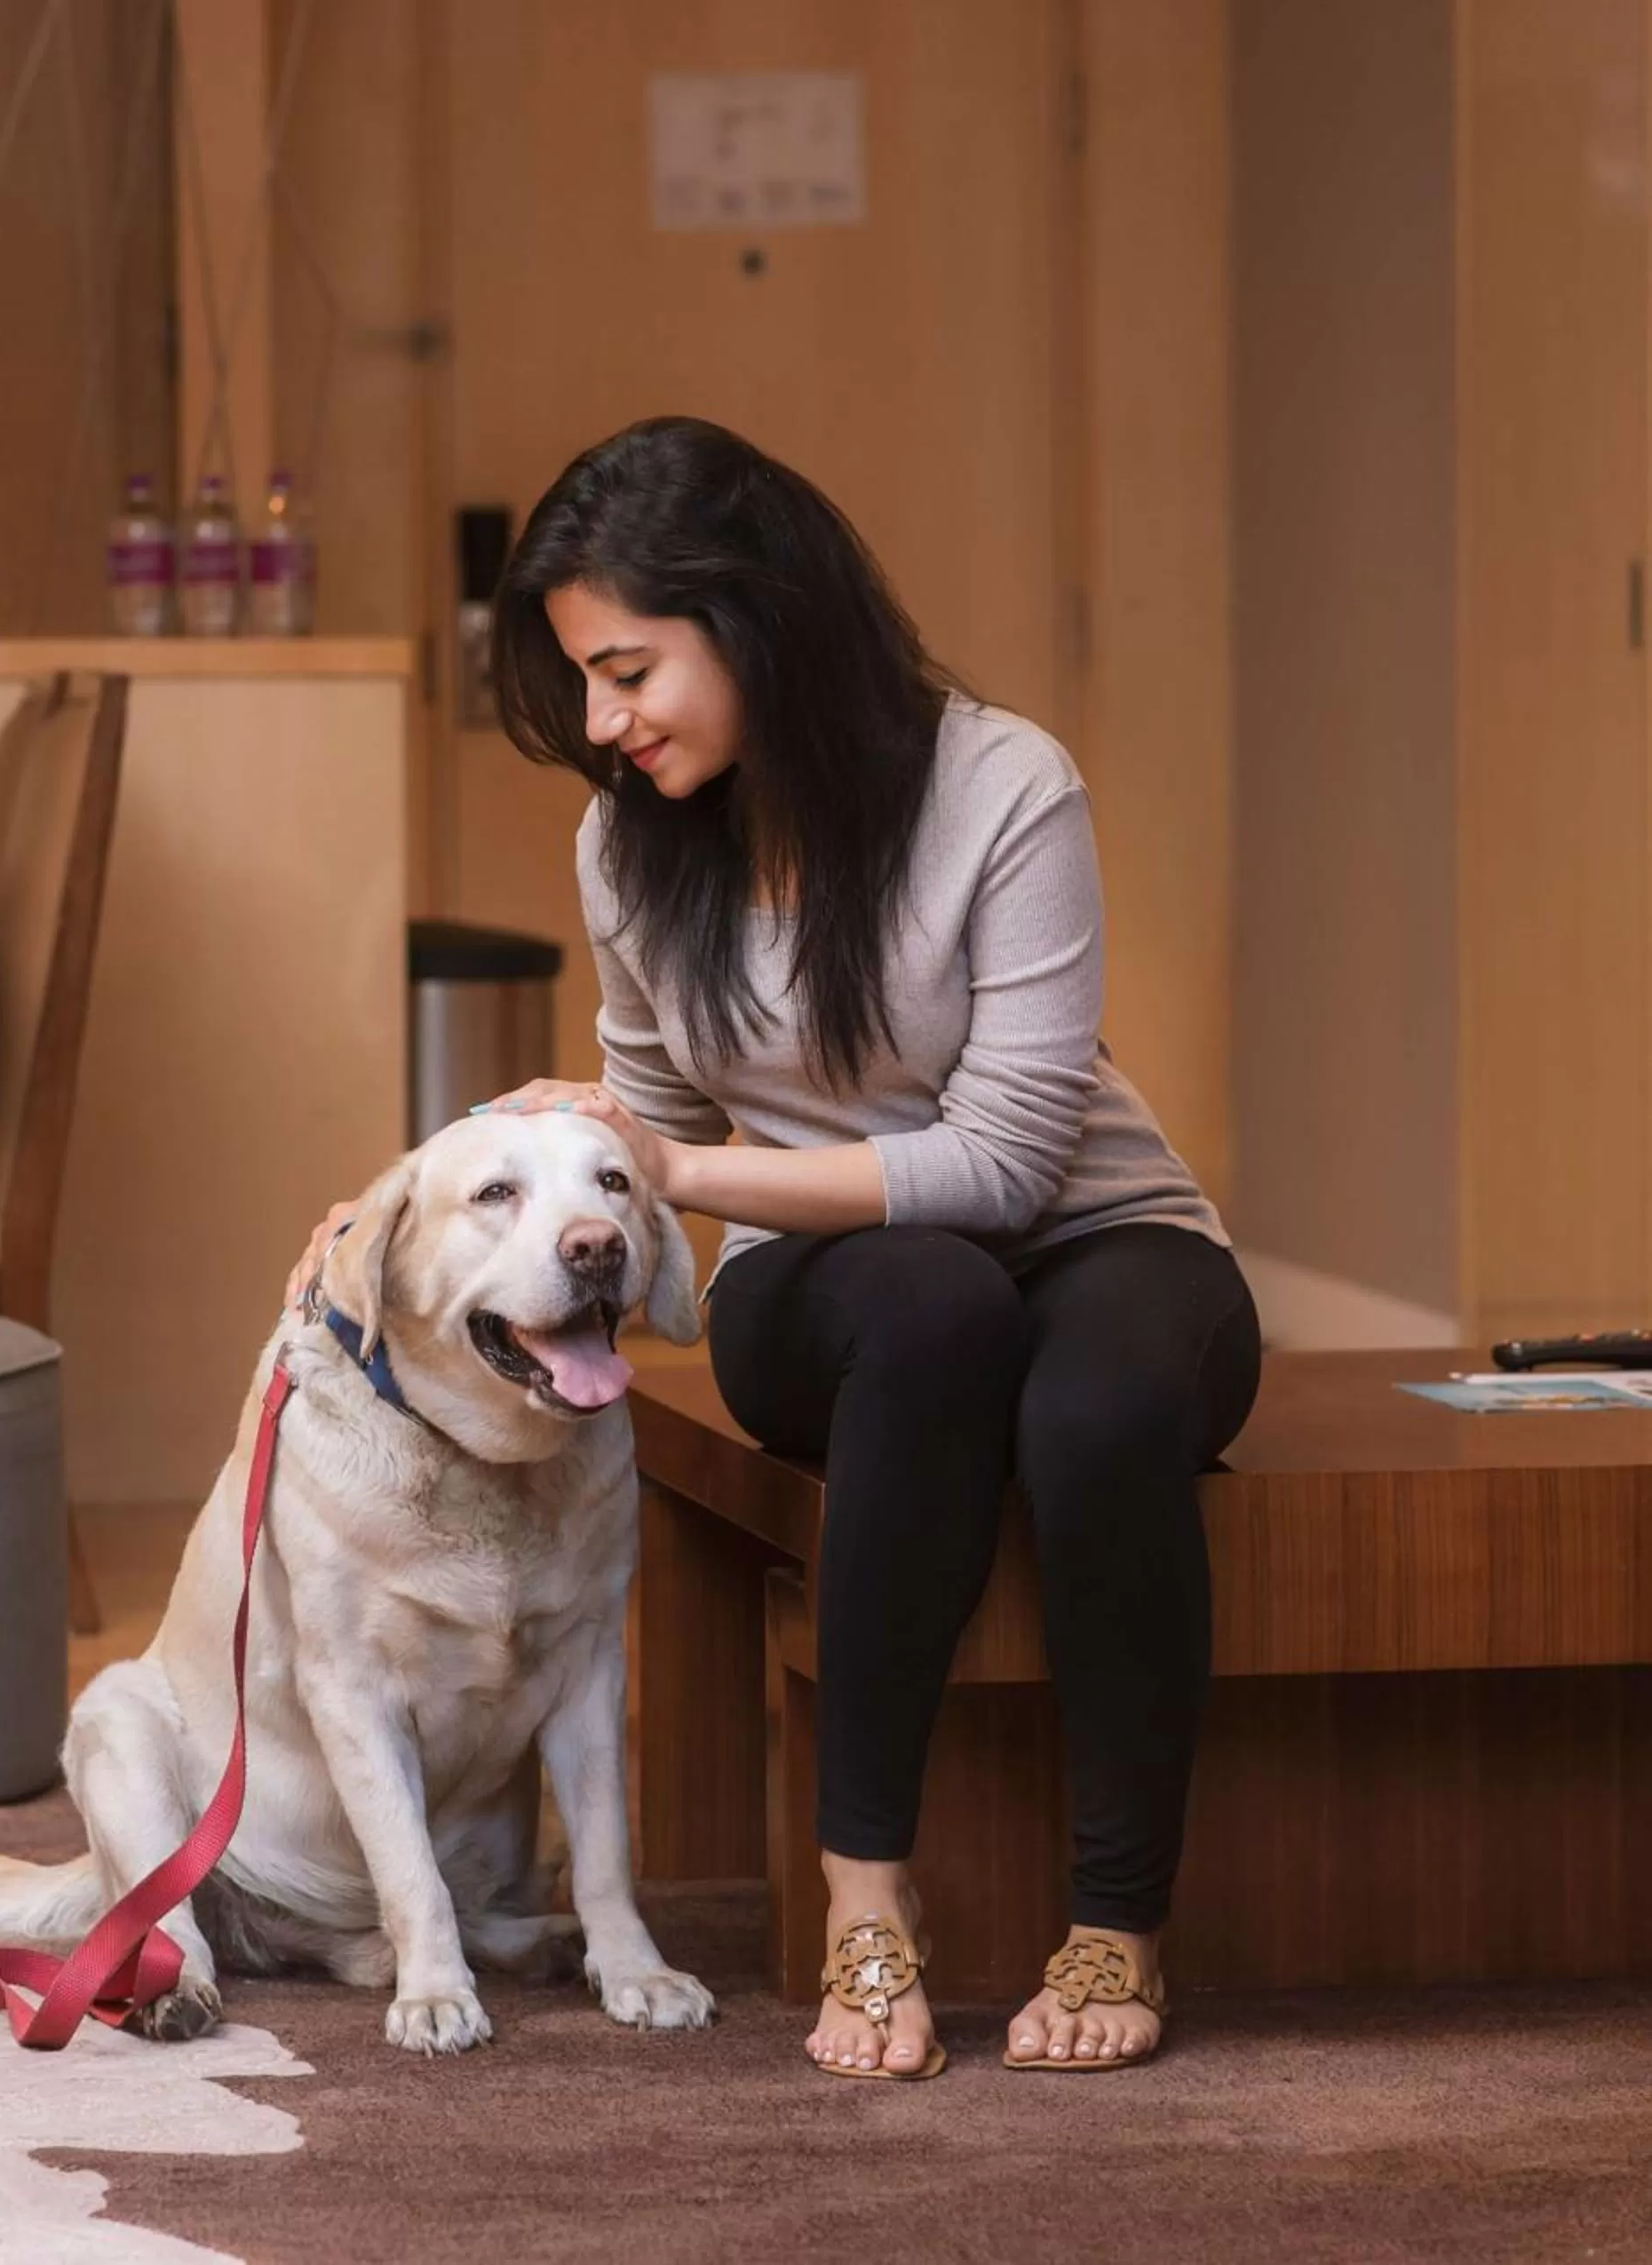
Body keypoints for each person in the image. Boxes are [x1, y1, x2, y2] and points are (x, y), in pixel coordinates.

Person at [286, 416, 1259, 2079]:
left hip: (1096, 1229)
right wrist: (443, 1189)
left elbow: (1011, 1162)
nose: (603, 722)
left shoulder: (1004, 789)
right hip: (841, 1288)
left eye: (627, 670)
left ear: (754, 618)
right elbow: (648, 1111)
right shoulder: (629, 840)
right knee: (936, 1313)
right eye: (584, 682)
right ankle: (867, 1897)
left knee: (1094, 1407)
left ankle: (1121, 1919)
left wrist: (677, 1164)